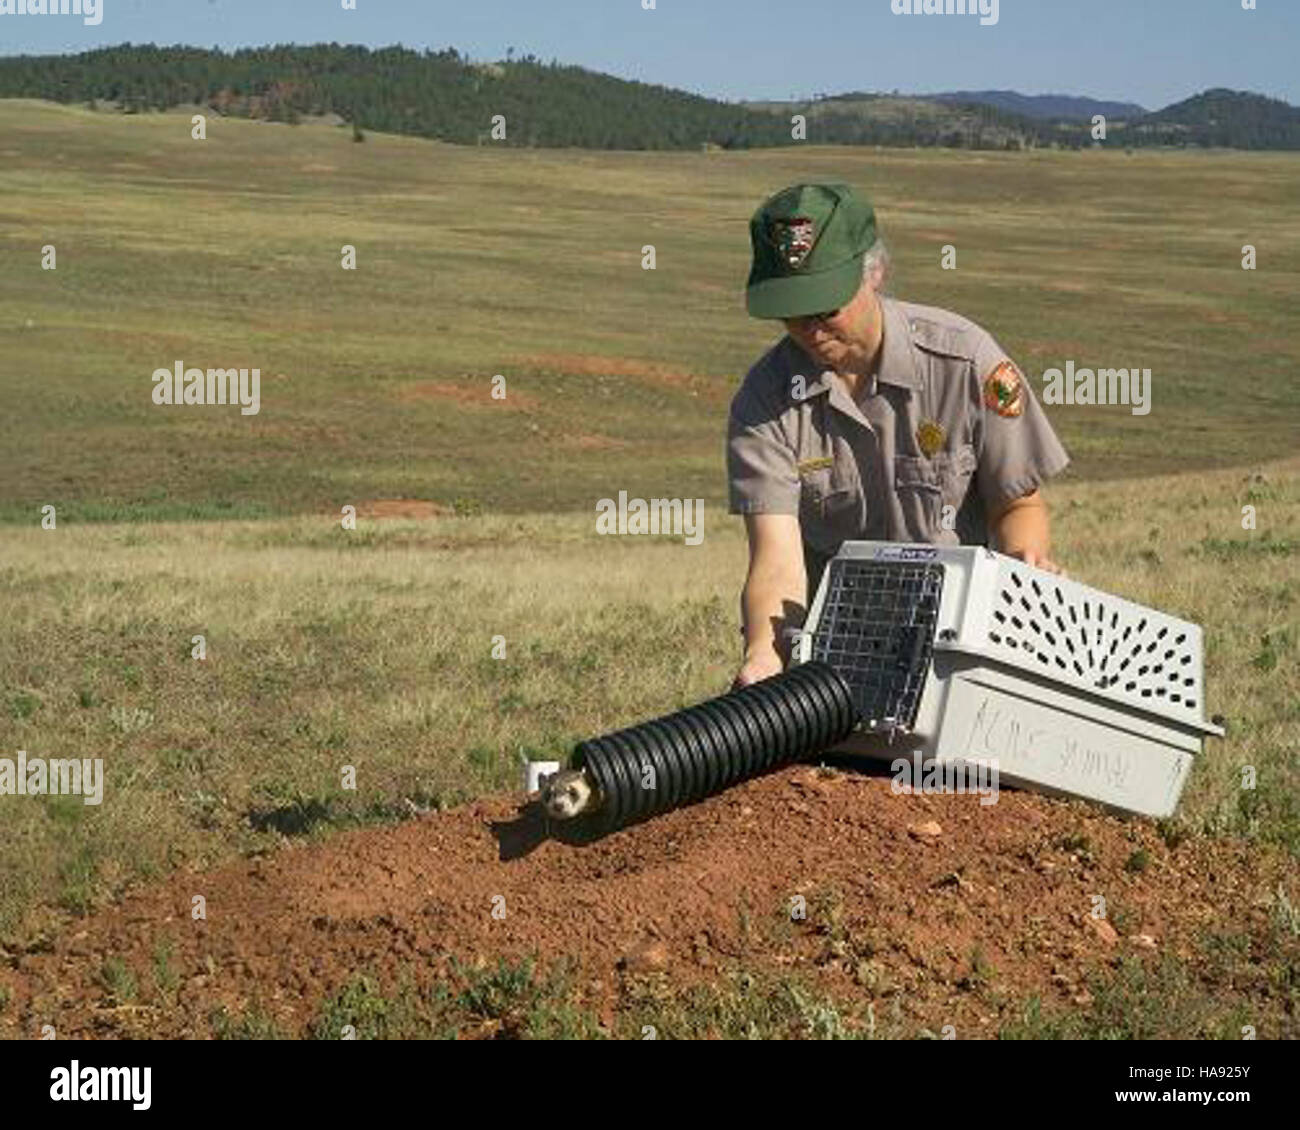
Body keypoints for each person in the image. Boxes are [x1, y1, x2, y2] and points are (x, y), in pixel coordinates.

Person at [728, 182, 1070, 689]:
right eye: (792, 314)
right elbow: (777, 556)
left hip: (963, 646)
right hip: (837, 661)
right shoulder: (764, 401)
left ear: (875, 273)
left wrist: (1025, 568)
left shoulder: (966, 362)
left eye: (825, 308)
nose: (811, 330)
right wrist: (764, 652)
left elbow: (1018, 505)